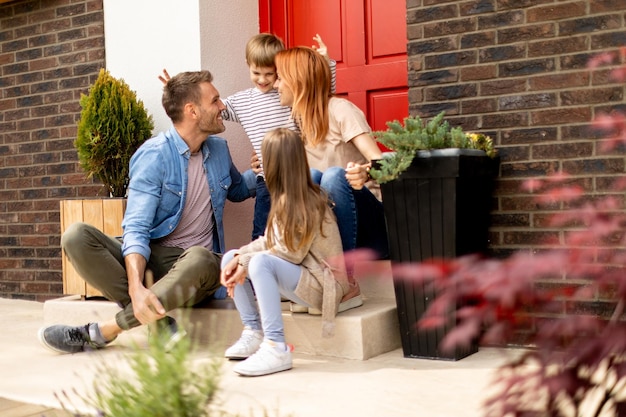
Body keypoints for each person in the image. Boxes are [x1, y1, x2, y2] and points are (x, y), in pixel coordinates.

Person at [38, 70, 256, 354]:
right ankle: (158, 324)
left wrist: (265, 170)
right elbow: (137, 228)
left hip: (196, 270)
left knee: (200, 257)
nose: (222, 107)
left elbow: (237, 189)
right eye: (215, 101)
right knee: (76, 236)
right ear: (192, 111)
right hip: (155, 261)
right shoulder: (154, 156)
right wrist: (135, 289)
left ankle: (103, 331)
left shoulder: (218, 150)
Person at [160, 33, 335, 241]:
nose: (262, 80)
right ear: (248, 65)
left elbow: (321, 98)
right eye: (256, 72)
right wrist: (180, 94)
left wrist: (326, 64)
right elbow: (207, 110)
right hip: (267, 182)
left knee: (302, 232)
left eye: (270, 74)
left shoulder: (290, 94)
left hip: (299, 176)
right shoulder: (243, 102)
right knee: (263, 234)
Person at [220, 128, 349, 376]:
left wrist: (247, 261)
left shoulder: (307, 201)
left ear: (275, 165)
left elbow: (291, 254)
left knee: (259, 264)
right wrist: (239, 257)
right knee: (231, 258)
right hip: (302, 276)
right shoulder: (283, 198)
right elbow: (270, 241)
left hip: (322, 282)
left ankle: (276, 346)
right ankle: (253, 331)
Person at [272, 46, 389, 312]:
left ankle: (343, 281)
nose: (276, 84)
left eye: (280, 77)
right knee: (309, 178)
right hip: (333, 238)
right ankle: (312, 278)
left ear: (298, 80)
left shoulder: (340, 109)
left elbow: (381, 161)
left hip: (371, 232)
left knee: (334, 176)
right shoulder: (300, 123)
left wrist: (366, 172)